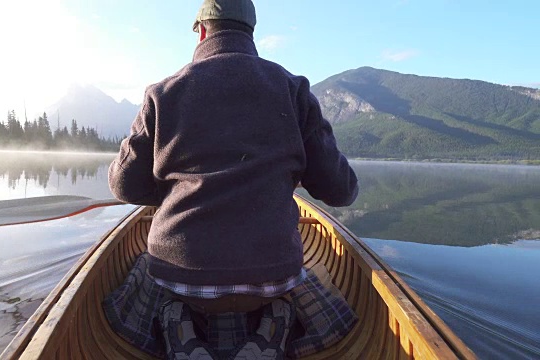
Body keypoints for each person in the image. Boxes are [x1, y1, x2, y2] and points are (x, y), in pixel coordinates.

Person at [109, 0, 357, 355]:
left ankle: (176, 319)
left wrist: (170, 192)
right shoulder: (293, 89)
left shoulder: (161, 94)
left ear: (202, 31)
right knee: (295, 284)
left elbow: (123, 185)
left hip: (178, 274)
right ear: (251, 33)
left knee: (147, 270)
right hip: (273, 276)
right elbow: (339, 190)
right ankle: (276, 320)